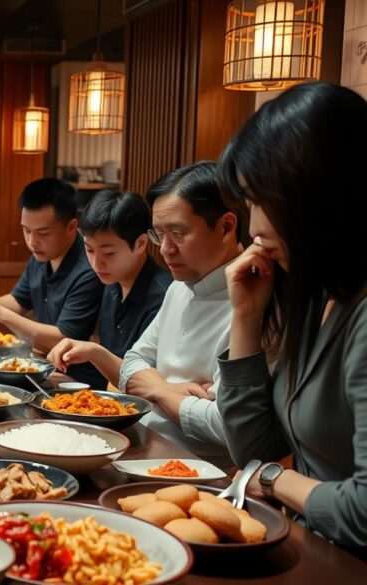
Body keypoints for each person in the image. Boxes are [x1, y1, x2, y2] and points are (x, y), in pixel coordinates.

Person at [217, 82, 367, 548]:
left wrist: (272, 480)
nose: (254, 228)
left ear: (320, 195)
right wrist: (245, 316)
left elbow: (364, 513)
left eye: (262, 202)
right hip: (306, 548)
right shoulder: (314, 291)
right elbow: (255, 451)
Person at [117, 162, 242, 462]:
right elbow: (131, 363)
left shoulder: (250, 303)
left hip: (197, 466)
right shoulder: (179, 286)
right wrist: (170, 389)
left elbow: (228, 425)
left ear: (226, 227)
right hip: (141, 441)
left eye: (178, 233)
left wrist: (157, 392)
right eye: (159, 234)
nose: (165, 249)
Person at [0, 178, 104, 388]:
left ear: (72, 227)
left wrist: (1, 314)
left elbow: (62, 339)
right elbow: (17, 301)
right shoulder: (41, 255)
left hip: (76, 380)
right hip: (43, 366)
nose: (32, 242)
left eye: (43, 233)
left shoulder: (88, 269)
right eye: (26, 230)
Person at [46, 190, 172, 384]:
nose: (97, 263)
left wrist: (95, 353)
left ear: (140, 243)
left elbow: (149, 383)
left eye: (109, 253)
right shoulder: (110, 282)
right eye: (89, 250)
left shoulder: (164, 295)